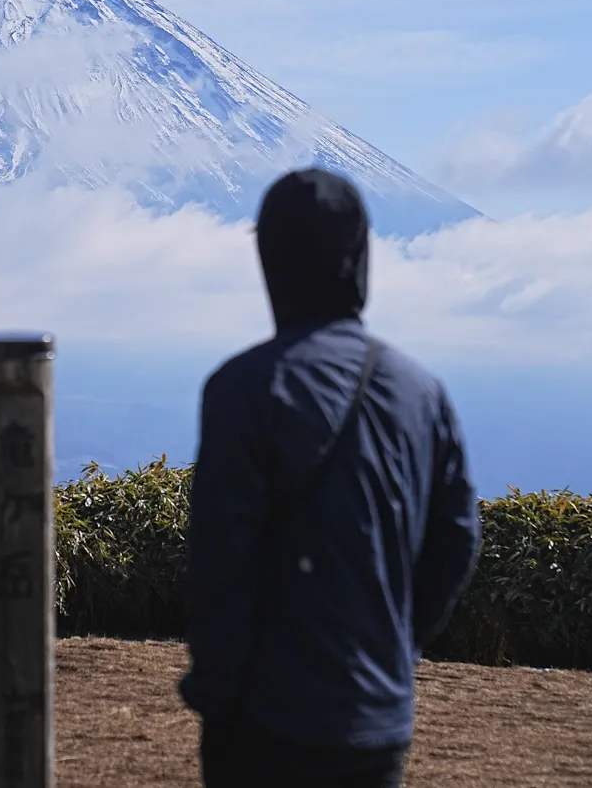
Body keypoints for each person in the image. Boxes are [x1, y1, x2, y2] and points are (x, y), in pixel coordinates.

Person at [181, 169, 481, 788]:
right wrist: (395, 647)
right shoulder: (420, 391)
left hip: (264, 723)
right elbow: (456, 541)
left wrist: (219, 693)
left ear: (271, 262)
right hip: (376, 722)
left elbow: (221, 563)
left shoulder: (243, 389)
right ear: (361, 259)